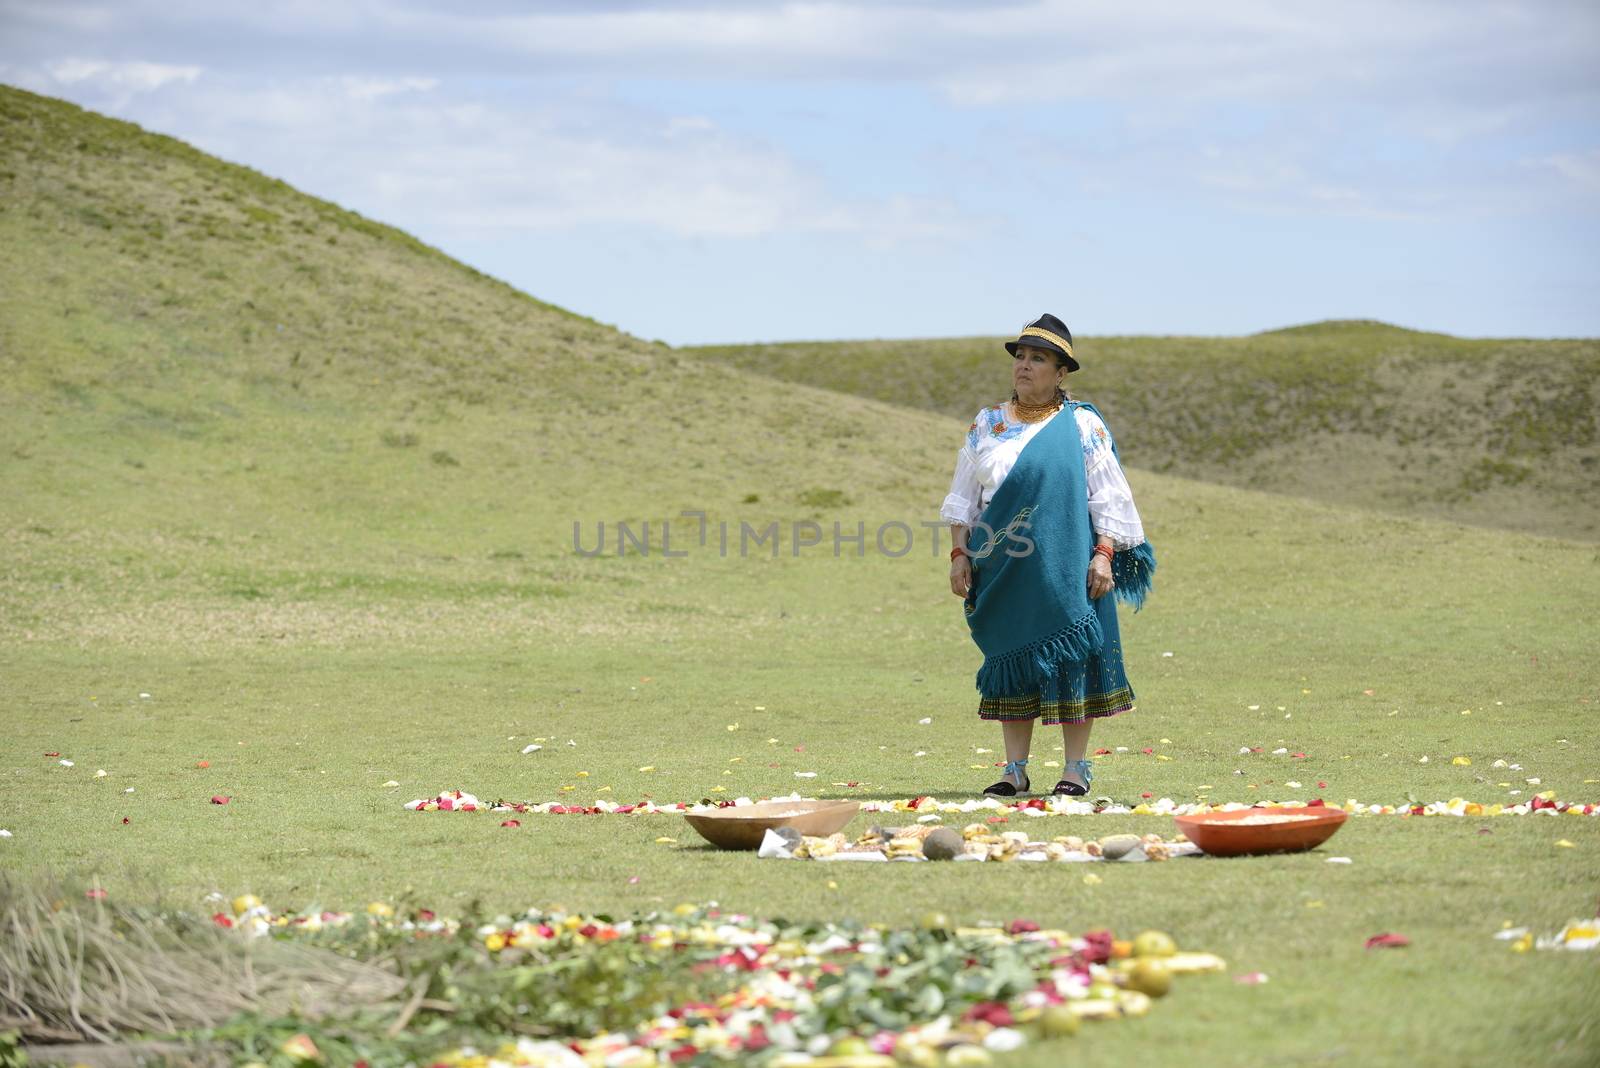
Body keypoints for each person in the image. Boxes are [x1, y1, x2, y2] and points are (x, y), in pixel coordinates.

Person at [941, 314, 1155, 797]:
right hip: (1001, 566)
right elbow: (963, 497)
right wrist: (958, 554)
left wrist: (1104, 554)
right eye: (1020, 356)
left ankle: (1075, 769)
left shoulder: (1082, 425)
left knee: (1071, 659)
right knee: (1010, 658)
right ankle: (1014, 770)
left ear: (1061, 373)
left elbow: (1110, 497)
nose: (1024, 365)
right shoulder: (987, 423)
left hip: (1065, 566)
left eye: (1038, 358)